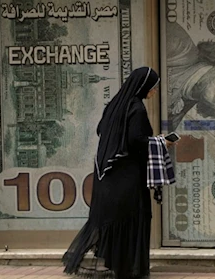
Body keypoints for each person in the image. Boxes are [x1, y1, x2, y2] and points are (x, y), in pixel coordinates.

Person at [62, 66, 168, 279]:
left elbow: (101, 129)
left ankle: (117, 264)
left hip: (106, 176)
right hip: (126, 177)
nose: (154, 92)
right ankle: (127, 268)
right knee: (130, 218)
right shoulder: (136, 108)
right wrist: (161, 141)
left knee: (111, 219)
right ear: (144, 86)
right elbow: (136, 141)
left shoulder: (116, 105)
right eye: (153, 87)